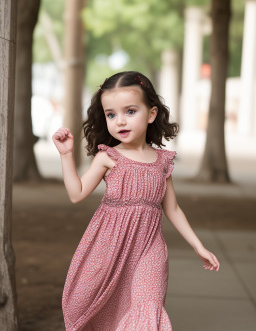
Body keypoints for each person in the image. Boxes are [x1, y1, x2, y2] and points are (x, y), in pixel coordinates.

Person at [52, 71, 220, 331]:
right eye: (111, 114)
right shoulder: (108, 157)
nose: (120, 121)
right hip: (107, 248)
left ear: (151, 114)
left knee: (146, 311)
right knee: (89, 305)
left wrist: (198, 246)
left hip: (149, 250)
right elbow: (77, 193)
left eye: (130, 111)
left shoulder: (163, 161)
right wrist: (66, 155)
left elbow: (172, 208)